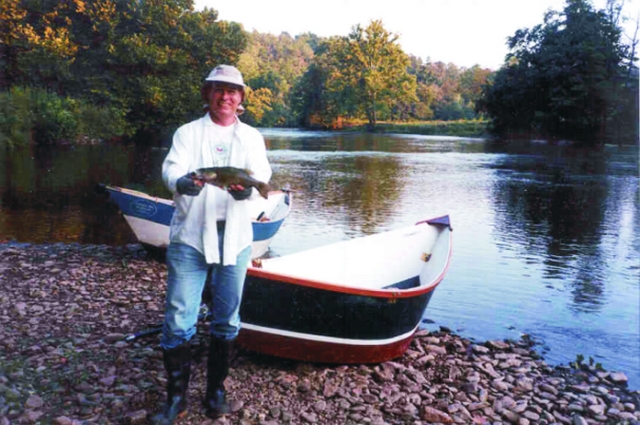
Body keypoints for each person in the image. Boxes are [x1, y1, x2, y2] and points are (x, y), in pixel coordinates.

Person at [150, 65, 272, 423]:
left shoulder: (252, 138)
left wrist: (247, 193)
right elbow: (172, 170)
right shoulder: (187, 133)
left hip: (235, 238)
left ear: (241, 99)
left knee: (227, 317)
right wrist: (181, 183)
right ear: (208, 94)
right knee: (177, 318)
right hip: (190, 235)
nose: (226, 97)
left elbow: (261, 178)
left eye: (233, 91)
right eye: (219, 89)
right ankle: (176, 400)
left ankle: (216, 392)